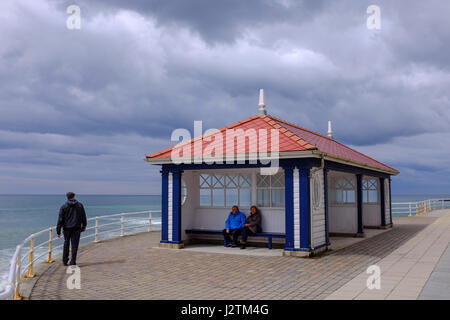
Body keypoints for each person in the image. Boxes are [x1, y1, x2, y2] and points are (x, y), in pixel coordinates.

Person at [56, 192, 87, 266]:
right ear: (74, 196)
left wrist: (58, 231)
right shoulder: (80, 205)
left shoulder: (64, 206)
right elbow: (83, 217)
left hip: (66, 228)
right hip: (76, 228)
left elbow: (60, 219)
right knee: (74, 245)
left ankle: (65, 260)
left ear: (67, 197)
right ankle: (73, 261)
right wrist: (84, 226)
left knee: (66, 243)